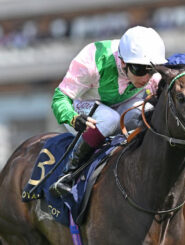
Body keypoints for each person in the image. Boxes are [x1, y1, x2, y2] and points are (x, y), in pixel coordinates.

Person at [50, 26, 167, 196]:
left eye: (152, 70)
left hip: (120, 105)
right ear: (123, 62)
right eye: (140, 70)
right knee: (110, 119)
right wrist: (73, 118)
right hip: (83, 105)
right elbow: (60, 97)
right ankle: (68, 173)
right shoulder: (92, 60)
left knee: (147, 111)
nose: (146, 78)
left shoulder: (148, 68)